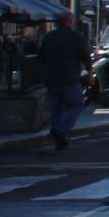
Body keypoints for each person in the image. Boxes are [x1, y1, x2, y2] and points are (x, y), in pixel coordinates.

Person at [39, 13, 92, 150]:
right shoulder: (76, 37)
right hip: (69, 78)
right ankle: (61, 129)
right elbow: (85, 56)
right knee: (77, 104)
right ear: (70, 21)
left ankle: (59, 140)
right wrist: (90, 73)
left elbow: (41, 57)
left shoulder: (49, 37)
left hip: (51, 79)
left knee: (56, 108)